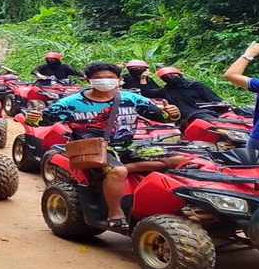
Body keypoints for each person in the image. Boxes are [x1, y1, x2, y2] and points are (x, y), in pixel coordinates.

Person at [25, 62, 184, 230]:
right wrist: (33, 117)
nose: (105, 81)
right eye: (99, 78)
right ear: (88, 80)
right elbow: (42, 120)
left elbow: (161, 116)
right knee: (117, 171)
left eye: (109, 78)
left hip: (126, 145)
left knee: (179, 159)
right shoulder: (71, 102)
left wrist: (172, 113)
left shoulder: (132, 99)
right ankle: (115, 213)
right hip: (90, 147)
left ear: (119, 80)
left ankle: (133, 174)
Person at [141, 66, 225, 124]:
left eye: (172, 75)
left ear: (179, 75)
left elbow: (215, 99)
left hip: (207, 113)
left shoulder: (196, 86)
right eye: (166, 76)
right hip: (185, 118)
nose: (169, 77)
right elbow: (146, 93)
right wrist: (143, 78)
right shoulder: (166, 91)